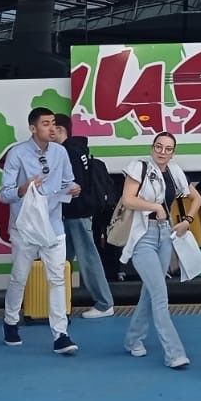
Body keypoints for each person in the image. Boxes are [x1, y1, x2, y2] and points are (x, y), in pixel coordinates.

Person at [0, 107, 82, 354]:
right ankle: (11, 321)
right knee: (20, 277)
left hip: (53, 225)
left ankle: (61, 334)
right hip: (25, 227)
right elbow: (5, 194)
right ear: (33, 128)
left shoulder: (61, 152)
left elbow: (68, 180)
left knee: (57, 279)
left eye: (54, 123)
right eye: (46, 124)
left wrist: (73, 188)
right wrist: (23, 189)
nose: (52, 128)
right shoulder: (17, 154)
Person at [119, 132, 200, 369]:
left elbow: (196, 199)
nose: (162, 152)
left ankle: (133, 339)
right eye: (159, 146)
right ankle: (174, 353)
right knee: (160, 294)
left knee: (151, 292)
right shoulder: (139, 167)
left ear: (173, 152)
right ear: (152, 147)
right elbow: (127, 199)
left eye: (168, 148)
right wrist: (154, 206)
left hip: (165, 234)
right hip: (142, 235)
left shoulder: (175, 172)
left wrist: (186, 220)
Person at [53, 114, 115, 319]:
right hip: (78, 212)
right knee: (63, 259)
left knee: (87, 256)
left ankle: (104, 303)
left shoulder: (67, 152)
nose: (48, 132)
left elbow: (72, 186)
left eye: (51, 126)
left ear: (60, 129)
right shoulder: (79, 150)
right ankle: (56, 302)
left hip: (75, 213)